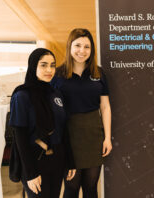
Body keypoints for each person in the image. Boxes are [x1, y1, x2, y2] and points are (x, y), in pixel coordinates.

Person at [51, 28, 112, 198]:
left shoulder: (99, 73)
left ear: (91, 50)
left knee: (91, 187)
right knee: (71, 187)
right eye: (77, 45)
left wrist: (107, 137)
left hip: (93, 134)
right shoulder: (57, 75)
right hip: (68, 136)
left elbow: (105, 107)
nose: (82, 51)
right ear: (69, 46)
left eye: (87, 47)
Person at [9, 48, 75, 198]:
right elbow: (20, 137)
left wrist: (71, 162)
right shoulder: (22, 96)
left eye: (52, 65)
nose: (49, 70)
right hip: (35, 160)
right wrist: (31, 173)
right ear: (33, 66)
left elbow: (63, 129)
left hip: (57, 159)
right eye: (43, 65)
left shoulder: (56, 93)